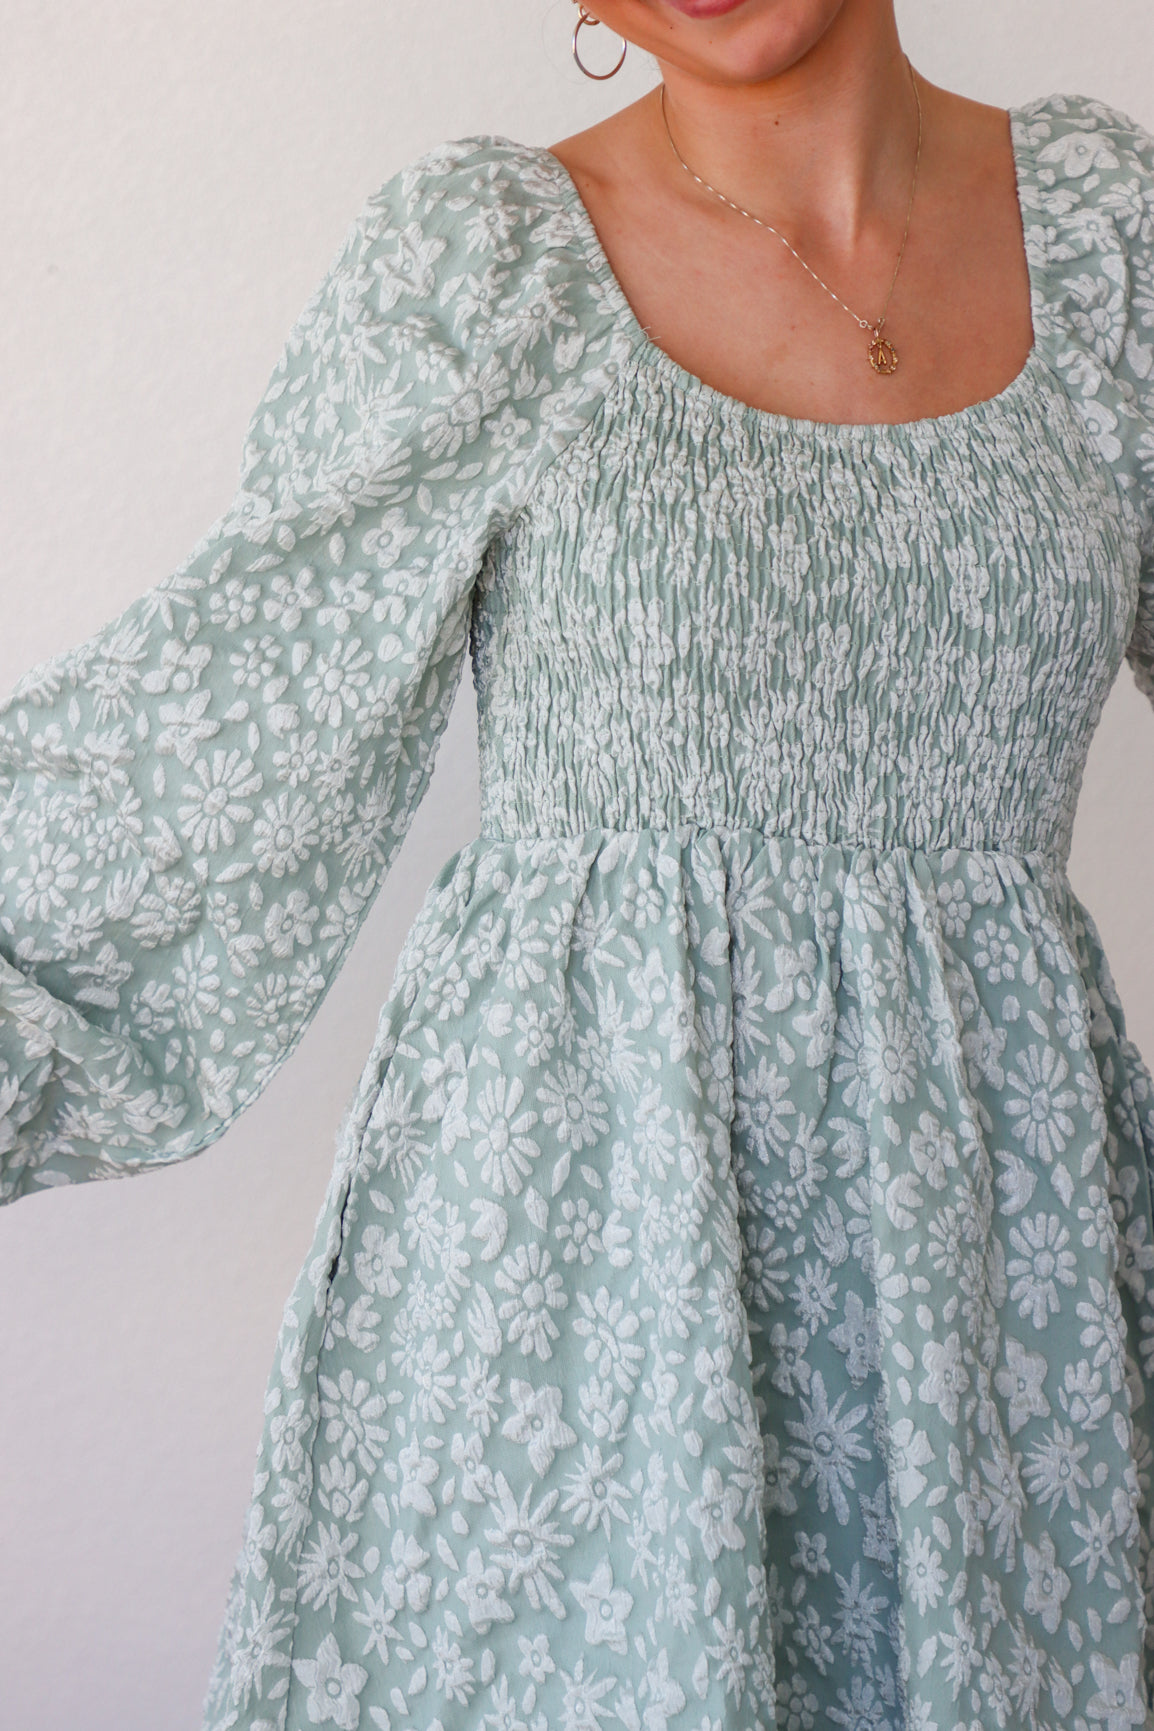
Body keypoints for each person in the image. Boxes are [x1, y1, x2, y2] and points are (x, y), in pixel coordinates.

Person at [3, 0, 1154, 1725]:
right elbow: (211, 735)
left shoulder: (1105, 232)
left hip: (988, 1302)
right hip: (577, 1300)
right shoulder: (484, 267)